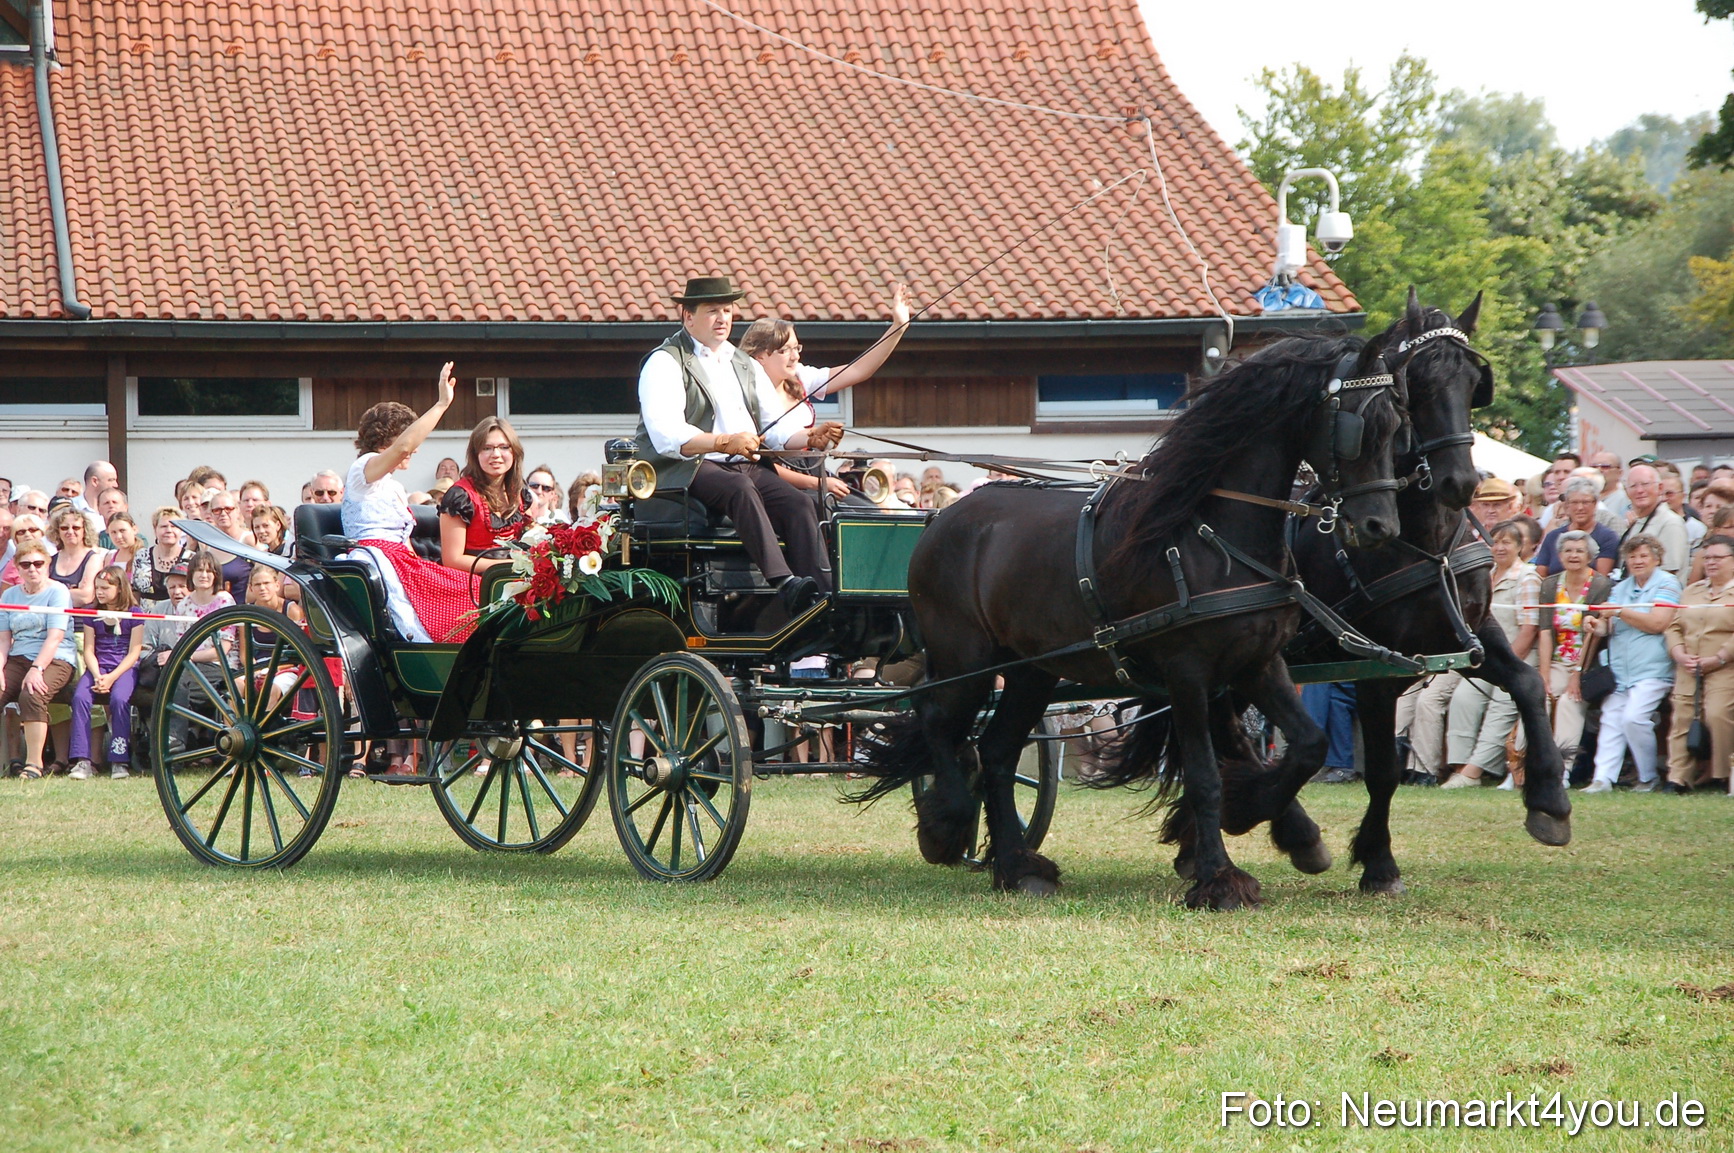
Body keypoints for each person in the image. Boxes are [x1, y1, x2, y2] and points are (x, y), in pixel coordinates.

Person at [634, 275, 843, 612]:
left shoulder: (743, 363)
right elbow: (666, 434)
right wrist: (723, 441)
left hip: (743, 463)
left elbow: (775, 428)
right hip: (687, 466)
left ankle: (823, 596)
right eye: (713, 311)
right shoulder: (666, 361)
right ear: (688, 316)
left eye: (728, 310)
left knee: (799, 504)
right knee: (740, 489)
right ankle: (785, 583)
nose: (723, 319)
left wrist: (810, 437)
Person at [344, 363, 484, 642]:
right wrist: (442, 405)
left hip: (404, 563)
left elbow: (405, 542)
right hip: (379, 562)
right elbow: (405, 447)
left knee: (479, 589)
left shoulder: (393, 486)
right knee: (468, 597)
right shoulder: (363, 470)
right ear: (386, 439)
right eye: (411, 437)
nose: (416, 449)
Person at [739, 283, 912, 499]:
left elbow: (857, 370)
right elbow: (770, 448)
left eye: (796, 347)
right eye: (784, 350)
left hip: (812, 468)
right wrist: (814, 439)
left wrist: (898, 327)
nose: (795, 356)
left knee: (865, 508)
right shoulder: (746, 392)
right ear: (760, 357)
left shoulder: (800, 377)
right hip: (774, 479)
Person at [1441, 519, 1541, 788]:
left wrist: (1508, 664)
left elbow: (1529, 629)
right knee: (1463, 698)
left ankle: (1475, 771)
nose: (1499, 548)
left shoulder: (1527, 577)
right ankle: (1460, 767)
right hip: (1487, 657)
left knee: (1502, 704)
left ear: (1519, 547)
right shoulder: (1486, 574)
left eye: (1506, 542)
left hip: (1518, 656)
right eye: (1494, 542)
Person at [1581, 535, 1681, 793]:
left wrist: (1619, 611)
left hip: (1653, 668)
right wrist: (1596, 626)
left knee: (1634, 719)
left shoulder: (1668, 583)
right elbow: (1610, 626)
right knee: (1611, 719)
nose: (1637, 561)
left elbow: (1658, 623)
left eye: (1643, 556)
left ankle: (1648, 777)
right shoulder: (1620, 587)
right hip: (1619, 670)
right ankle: (1602, 779)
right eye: (1632, 556)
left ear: (1657, 559)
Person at [0, 542, 79, 779]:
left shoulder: (58, 592)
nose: (32, 569)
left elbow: (55, 637)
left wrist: (37, 668)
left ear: (48, 564)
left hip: (55, 658)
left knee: (32, 693)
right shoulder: (9, 595)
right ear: (17, 567)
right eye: (26, 565)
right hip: (18, 656)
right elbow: (4, 640)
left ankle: (33, 763)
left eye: (38, 563)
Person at [1663, 534, 1734, 793]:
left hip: (1725, 667)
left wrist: (1719, 658)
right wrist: (1679, 653)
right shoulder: (1692, 591)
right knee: (1682, 717)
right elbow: (1673, 626)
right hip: (1689, 665)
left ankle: (1722, 774)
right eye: (1707, 558)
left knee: (1717, 713)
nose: (1711, 563)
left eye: (1718, 558)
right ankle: (1678, 778)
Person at [1537, 531, 1612, 773]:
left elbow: (1594, 635)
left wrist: (1577, 674)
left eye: (1580, 551)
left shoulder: (1600, 584)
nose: (1573, 555)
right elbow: (1545, 631)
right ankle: (1521, 767)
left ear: (1590, 556)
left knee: (1570, 702)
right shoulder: (1550, 584)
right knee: (1539, 698)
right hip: (1558, 661)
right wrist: (1544, 675)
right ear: (1559, 555)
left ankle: (1562, 770)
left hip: (1587, 663)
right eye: (1568, 550)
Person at [67, 566, 144, 780]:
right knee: (80, 697)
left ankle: (119, 760)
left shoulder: (134, 612)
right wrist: (98, 674)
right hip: (98, 667)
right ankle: (83, 760)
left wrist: (111, 677)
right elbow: (89, 650)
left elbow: (134, 652)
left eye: (105, 588)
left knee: (119, 699)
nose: (99, 592)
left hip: (124, 668)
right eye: (97, 587)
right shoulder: (92, 612)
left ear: (119, 588)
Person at [439, 416, 535, 575]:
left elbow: (531, 532)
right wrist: (509, 565)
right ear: (475, 454)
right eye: (487, 448)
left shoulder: (520, 491)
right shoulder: (460, 496)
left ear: (514, 451)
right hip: (471, 578)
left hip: (515, 576)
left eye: (504, 447)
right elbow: (452, 560)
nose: (496, 454)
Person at [1532, 477, 1618, 577]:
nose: (1580, 508)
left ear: (1595, 504)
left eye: (1585, 502)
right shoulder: (1553, 537)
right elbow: (1540, 575)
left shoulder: (1607, 537)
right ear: (1567, 505)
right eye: (1574, 502)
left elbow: (1601, 577)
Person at [1619, 464, 1689, 579]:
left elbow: (1669, 572)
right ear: (1627, 492)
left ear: (1660, 488)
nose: (1640, 490)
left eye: (1645, 484)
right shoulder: (1637, 522)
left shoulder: (1670, 523)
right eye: (1633, 486)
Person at [133, 506, 198, 601]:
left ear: (181, 530)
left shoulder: (192, 558)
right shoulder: (141, 555)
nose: (169, 530)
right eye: (163, 526)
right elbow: (134, 591)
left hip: (180, 609)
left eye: (174, 526)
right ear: (155, 530)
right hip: (145, 610)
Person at [47, 506, 103, 608]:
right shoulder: (50, 560)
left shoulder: (93, 559)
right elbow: (39, 592)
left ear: (84, 530)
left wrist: (51, 593)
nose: (70, 532)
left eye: (76, 528)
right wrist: (73, 591)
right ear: (57, 531)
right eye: (64, 528)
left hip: (80, 616)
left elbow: (85, 597)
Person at [203, 491, 255, 597]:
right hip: (215, 605)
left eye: (228, 509)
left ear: (237, 511)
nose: (223, 513)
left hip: (243, 604)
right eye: (217, 510)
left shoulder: (249, 540)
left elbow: (264, 573)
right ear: (211, 514)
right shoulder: (206, 545)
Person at [1589, 452, 1631, 521]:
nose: (1598, 470)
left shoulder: (1625, 500)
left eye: (1605, 467)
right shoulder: (1584, 498)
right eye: (1594, 467)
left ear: (1619, 473)